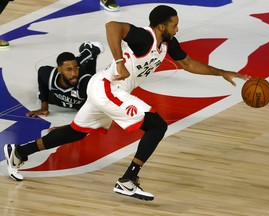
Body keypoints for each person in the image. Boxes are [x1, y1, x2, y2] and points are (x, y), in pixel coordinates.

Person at [4, 5, 250, 201]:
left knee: (76, 133)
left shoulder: (168, 44)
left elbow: (188, 64)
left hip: (106, 88)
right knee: (157, 125)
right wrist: (119, 60)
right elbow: (112, 25)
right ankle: (128, 180)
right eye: (174, 25)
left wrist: (222, 72)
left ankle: (19, 152)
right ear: (162, 26)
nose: (178, 28)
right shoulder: (144, 36)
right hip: (109, 87)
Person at [26, 41, 104, 117]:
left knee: (84, 71)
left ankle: (90, 51)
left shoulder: (85, 83)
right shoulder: (49, 75)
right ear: (59, 70)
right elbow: (41, 72)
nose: (73, 73)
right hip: (64, 97)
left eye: (76, 68)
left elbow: (94, 113)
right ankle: (86, 53)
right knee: (42, 96)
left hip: (85, 85)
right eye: (69, 70)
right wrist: (44, 107)